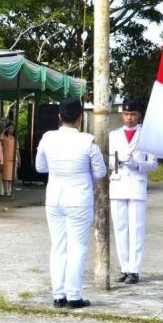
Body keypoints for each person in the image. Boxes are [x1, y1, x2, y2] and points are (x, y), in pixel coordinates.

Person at [36, 97, 107, 309]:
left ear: (59, 117)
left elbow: (40, 167)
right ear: (79, 119)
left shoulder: (48, 138)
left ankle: (58, 294)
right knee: (77, 247)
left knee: (58, 246)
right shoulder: (87, 141)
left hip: (55, 198)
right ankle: (74, 295)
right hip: (79, 198)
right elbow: (101, 172)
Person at [108, 99, 158, 284]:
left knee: (136, 228)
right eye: (126, 114)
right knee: (120, 228)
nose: (129, 118)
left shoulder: (146, 135)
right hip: (118, 183)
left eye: (133, 114)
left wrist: (136, 164)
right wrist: (118, 162)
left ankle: (134, 270)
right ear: (122, 115)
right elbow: (108, 161)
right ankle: (124, 268)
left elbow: (153, 164)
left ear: (139, 115)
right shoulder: (113, 135)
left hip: (137, 184)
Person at [0, 123, 19, 196]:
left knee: (12, 176)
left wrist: (19, 158)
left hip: (13, 159)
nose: (11, 130)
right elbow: (0, 138)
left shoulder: (14, 138)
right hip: (6, 158)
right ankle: (6, 190)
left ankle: (10, 190)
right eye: (9, 128)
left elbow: (17, 149)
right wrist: (4, 130)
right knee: (6, 175)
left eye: (12, 128)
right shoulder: (4, 137)